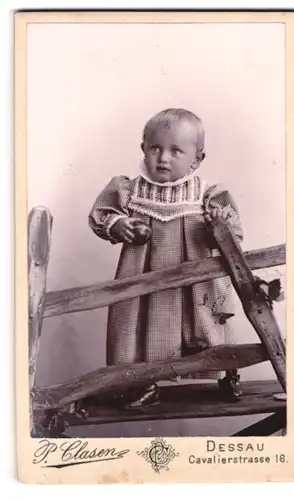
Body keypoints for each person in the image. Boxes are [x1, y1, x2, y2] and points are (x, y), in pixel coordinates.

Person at [89, 108, 244, 409]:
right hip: (141, 280)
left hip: (193, 282)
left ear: (197, 159)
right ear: (143, 148)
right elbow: (101, 215)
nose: (163, 158)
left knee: (204, 323)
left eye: (176, 151)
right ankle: (138, 382)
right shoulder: (129, 190)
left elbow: (232, 234)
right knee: (134, 326)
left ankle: (226, 372)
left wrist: (218, 225)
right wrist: (119, 224)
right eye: (155, 148)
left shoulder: (207, 195)